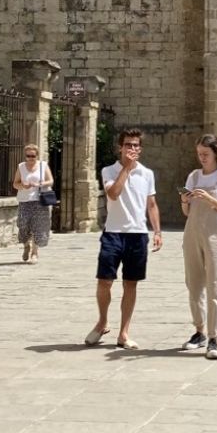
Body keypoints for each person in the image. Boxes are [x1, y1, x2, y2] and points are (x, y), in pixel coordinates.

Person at [87, 128, 163, 350]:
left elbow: (151, 204)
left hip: (137, 234)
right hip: (113, 232)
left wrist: (157, 231)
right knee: (104, 281)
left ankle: (124, 332)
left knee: (131, 283)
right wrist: (127, 169)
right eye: (128, 145)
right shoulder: (109, 171)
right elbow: (113, 194)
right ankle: (102, 322)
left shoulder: (147, 174)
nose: (132, 148)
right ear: (120, 148)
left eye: (136, 145)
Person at [180, 135, 217, 360]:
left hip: (215, 236)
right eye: (199, 154)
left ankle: (214, 336)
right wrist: (185, 200)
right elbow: (186, 212)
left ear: (215, 153)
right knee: (194, 285)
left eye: (205, 154)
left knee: (215, 286)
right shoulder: (193, 176)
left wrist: (209, 199)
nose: (202, 158)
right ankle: (199, 331)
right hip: (192, 233)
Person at [12, 144, 53, 264]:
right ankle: (26, 245)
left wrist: (39, 184)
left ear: (37, 156)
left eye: (33, 156)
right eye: (28, 156)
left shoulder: (43, 165)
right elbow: (15, 184)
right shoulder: (21, 166)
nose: (30, 158)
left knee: (38, 227)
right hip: (24, 200)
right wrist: (22, 186)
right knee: (23, 225)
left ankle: (35, 253)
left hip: (39, 201)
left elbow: (50, 181)